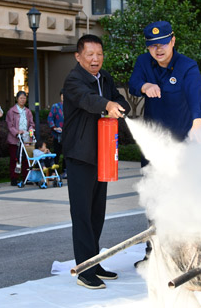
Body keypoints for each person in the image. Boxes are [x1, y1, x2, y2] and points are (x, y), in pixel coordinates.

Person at [128, 20, 201, 266]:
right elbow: (133, 83)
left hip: (182, 144)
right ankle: (154, 252)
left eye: (163, 43)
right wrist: (145, 85)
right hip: (153, 146)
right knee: (154, 197)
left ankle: (188, 252)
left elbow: (196, 93)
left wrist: (197, 121)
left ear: (173, 41)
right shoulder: (144, 63)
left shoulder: (187, 67)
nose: (158, 49)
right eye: (152, 45)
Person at [63, 34, 129, 289]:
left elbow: (119, 100)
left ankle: (95, 261)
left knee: (96, 212)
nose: (95, 59)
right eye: (90, 54)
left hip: (102, 152)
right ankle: (83, 270)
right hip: (80, 154)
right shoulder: (74, 80)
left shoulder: (106, 78)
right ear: (78, 56)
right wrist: (107, 104)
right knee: (81, 213)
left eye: (99, 54)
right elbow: (87, 100)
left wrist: (119, 106)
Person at [6, 91, 35, 186]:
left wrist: (30, 130)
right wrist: (17, 132)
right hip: (15, 140)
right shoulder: (12, 111)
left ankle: (26, 177)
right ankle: (14, 178)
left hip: (26, 138)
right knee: (15, 159)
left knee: (26, 159)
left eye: (24, 98)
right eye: (21, 98)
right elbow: (10, 126)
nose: (23, 100)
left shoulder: (28, 111)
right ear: (17, 99)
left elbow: (31, 124)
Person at [47, 89, 66, 178]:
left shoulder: (71, 107)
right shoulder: (55, 106)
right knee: (56, 154)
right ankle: (53, 172)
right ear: (60, 96)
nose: (64, 97)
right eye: (62, 95)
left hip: (68, 134)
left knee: (67, 154)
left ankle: (66, 171)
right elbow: (50, 118)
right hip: (57, 134)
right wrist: (54, 127)